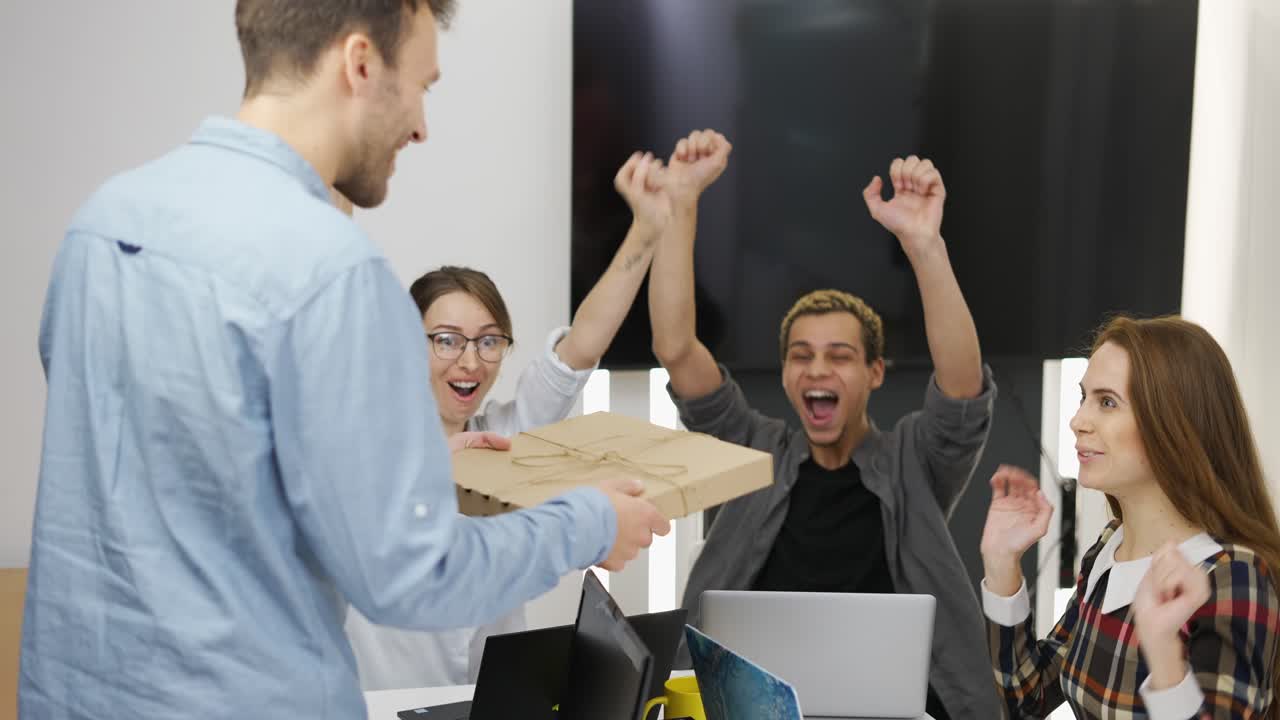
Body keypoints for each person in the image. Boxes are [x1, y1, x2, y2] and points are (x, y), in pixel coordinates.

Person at [20, 2, 668, 719]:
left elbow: (185, 477)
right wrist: (589, 523)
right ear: (360, 63)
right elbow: (415, 576)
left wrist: (407, 470)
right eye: (420, 85)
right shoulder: (331, 270)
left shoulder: (103, 223)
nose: (420, 125)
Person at [649, 130, 1001, 718]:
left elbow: (963, 388)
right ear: (787, 373)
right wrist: (682, 202)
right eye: (801, 355)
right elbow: (676, 348)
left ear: (875, 372)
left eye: (840, 356)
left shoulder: (913, 460)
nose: (818, 369)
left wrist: (923, 244)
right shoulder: (749, 447)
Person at [341, 149, 676, 689]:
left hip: (487, 700)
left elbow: (583, 344)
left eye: (489, 341)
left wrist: (646, 230)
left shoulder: (509, 435)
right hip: (383, 705)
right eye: (447, 340)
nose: (470, 362)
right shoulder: (360, 448)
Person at [981, 316, 1280, 718]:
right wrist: (1001, 567)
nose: (1077, 421)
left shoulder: (1234, 578)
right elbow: (1026, 699)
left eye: (1107, 402)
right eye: (1084, 397)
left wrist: (1165, 657)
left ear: (1174, 423)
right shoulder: (1111, 546)